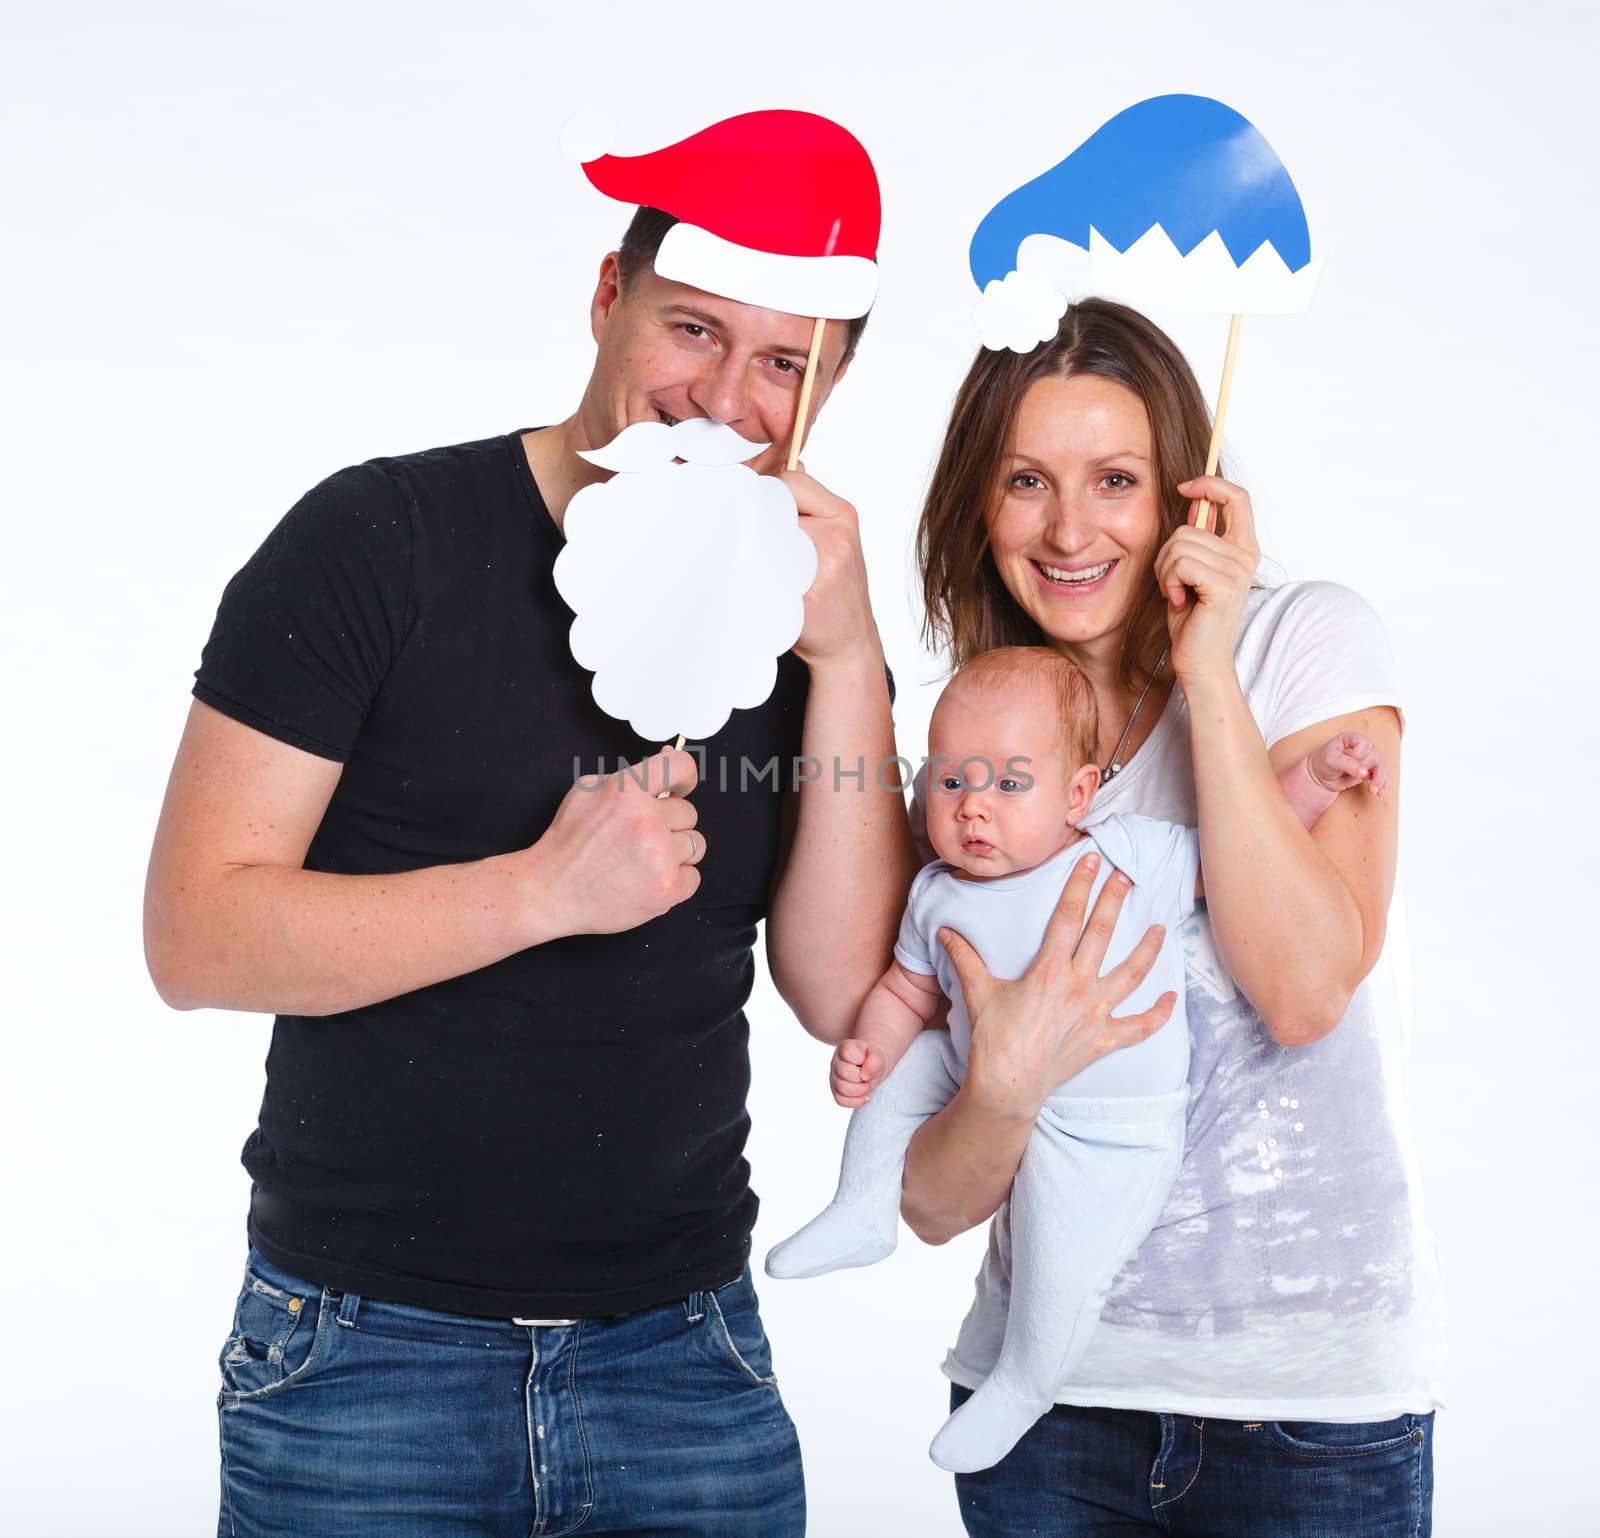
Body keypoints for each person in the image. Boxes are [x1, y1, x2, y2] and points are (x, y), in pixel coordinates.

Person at [140, 115, 1173, 1536]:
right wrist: (538, 891)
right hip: (363, 1352)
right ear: (606, 298)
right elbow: (196, 933)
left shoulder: (789, 606)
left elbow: (829, 989)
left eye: (782, 365)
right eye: (692, 328)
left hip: (684, 1358)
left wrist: (850, 654)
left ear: (831, 389)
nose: (724, 398)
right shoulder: (376, 540)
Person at [902, 299, 1443, 1535]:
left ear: (1182, 496)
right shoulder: (984, 752)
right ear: (978, 507)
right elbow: (933, 1201)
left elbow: (1307, 989)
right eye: (1026, 479)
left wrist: (1206, 668)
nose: (1070, 526)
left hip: (1312, 1419)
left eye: (1115, 479)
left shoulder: (1305, 640)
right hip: (1043, 1422)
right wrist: (1006, 1078)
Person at [765, 645, 1386, 1473]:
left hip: (1110, 1125)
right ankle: (862, 1208)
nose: (974, 811)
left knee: (1061, 1260)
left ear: (1079, 795)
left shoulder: (1121, 853)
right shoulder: (937, 890)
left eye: (1009, 786)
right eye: (953, 782)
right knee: (906, 1066)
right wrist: (866, 1052)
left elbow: (1234, 847)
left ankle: (1024, 1382)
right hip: (984, 1064)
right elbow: (909, 993)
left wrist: (1316, 778)